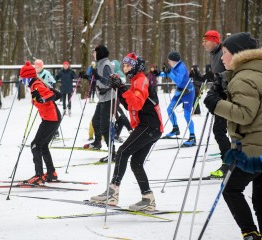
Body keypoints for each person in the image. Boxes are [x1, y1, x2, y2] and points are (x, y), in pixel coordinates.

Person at [204, 32, 262, 240]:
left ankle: (249, 232)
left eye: (226, 52)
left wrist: (215, 103)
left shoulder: (244, 78)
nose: (222, 57)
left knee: (230, 189)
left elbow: (245, 115)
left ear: (238, 54)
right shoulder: (255, 72)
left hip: (253, 148)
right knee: (260, 198)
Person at [90, 52, 163, 211]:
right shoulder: (136, 80)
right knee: (136, 162)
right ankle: (148, 198)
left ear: (137, 67)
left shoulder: (141, 80)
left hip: (150, 126)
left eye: (129, 65)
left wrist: (122, 88)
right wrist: (119, 88)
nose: (125, 68)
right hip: (148, 127)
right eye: (124, 65)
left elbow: (136, 104)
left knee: (122, 152)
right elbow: (129, 103)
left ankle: (113, 192)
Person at [19, 61, 62, 184]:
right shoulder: (36, 84)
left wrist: (42, 99)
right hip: (50, 118)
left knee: (35, 145)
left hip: (51, 119)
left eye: (23, 78)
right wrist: (38, 100)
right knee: (42, 146)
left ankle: (38, 176)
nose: (22, 81)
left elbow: (52, 95)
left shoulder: (37, 84)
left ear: (28, 77)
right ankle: (51, 173)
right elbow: (58, 94)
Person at [202, 30, 231, 178]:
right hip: (219, 96)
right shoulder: (213, 54)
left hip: (227, 98)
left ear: (214, 40)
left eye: (206, 40)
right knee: (220, 131)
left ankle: (228, 164)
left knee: (220, 131)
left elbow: (232, 71)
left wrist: (218, 78)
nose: (203, 43)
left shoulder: (224, 52)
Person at [83, 45, 115, 156]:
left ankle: (112, 152)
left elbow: (109, 82)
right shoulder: (100, 64)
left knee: (104, 126)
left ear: (100, 53)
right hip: (102, 98)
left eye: (95, 52)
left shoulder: (106, 65)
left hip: (109, 98)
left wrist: (98, 78)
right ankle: (97, 142)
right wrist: (86, 76)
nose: (93, 54)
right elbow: (96, 78)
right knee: (95, 122)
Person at [162, 51, 196, 147]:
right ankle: (175, 129)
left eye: (169, 60)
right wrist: (158, 73)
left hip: (188, 93)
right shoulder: (175, 66)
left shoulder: (181, 67)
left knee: (186, 114)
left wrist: (169, 73)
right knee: (169, 109)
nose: (168, 61)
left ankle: (193, 137)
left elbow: (178, 80)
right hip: (180, 92)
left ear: (173, 60)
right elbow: (169, 74)